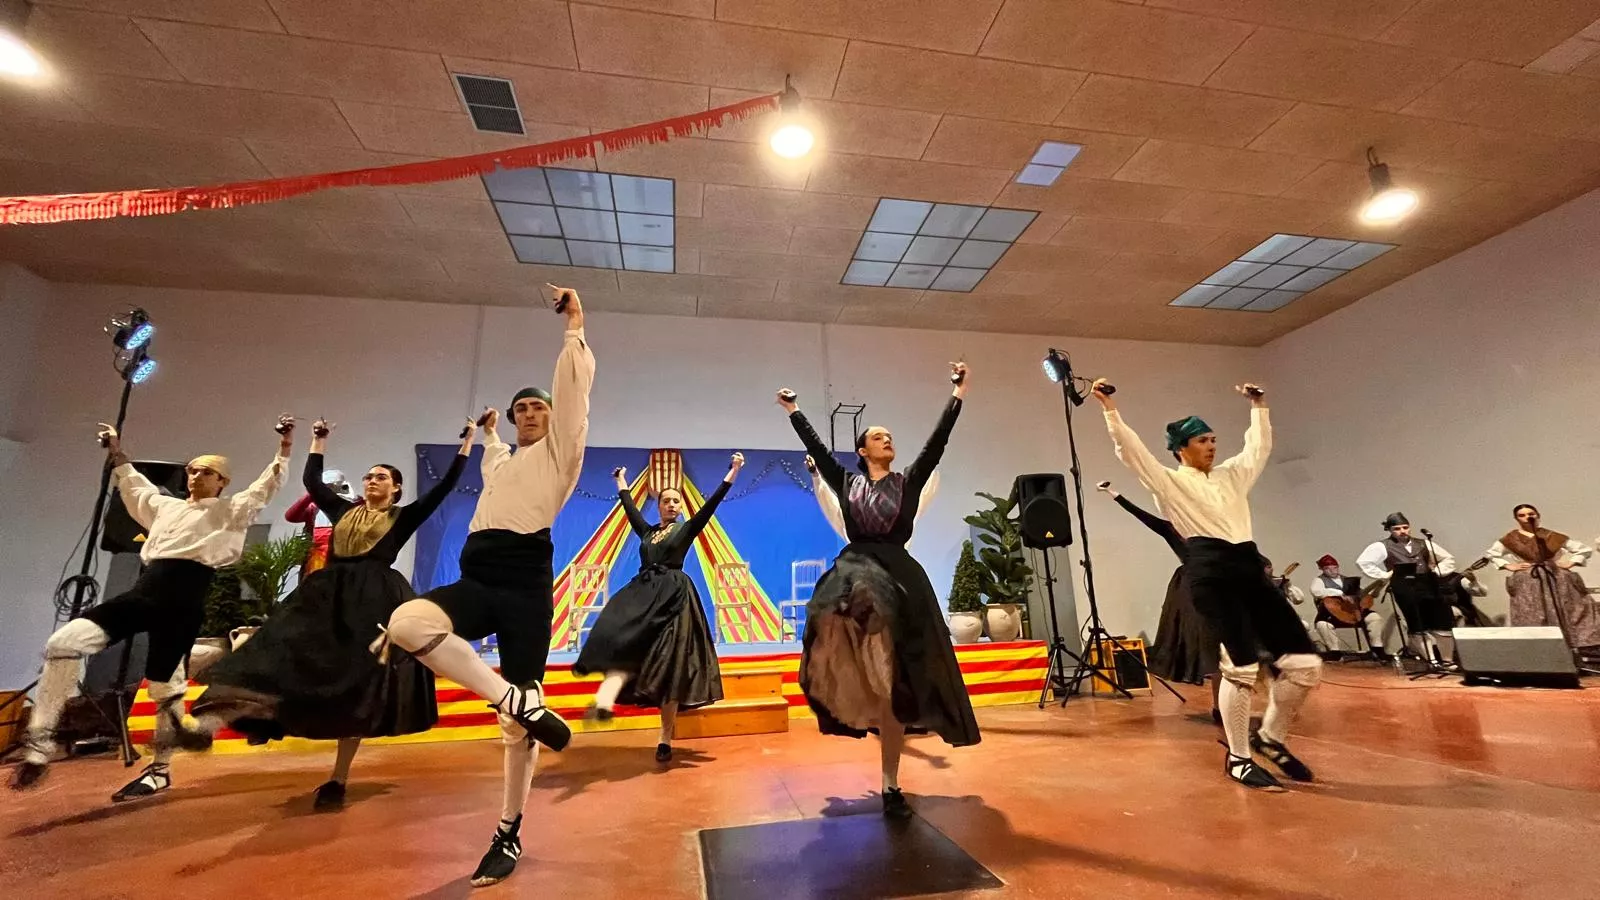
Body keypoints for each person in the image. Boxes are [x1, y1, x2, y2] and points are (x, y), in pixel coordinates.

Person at [379, 286, 594, 888]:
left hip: (526, 588)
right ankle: (514, 699)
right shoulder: (499, 460)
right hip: (478, 581)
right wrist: (493, 431)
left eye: (537, 408)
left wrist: (573, 327)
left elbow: (574, 401)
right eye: (521, 407)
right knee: (407, 623)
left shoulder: (562, 455)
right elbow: (494, 453)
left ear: (552, 420)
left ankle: (507, 832)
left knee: (514, 736)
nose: (529, 413)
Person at [169, 417, 477, 808]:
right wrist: (318, 440)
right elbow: (313, 482)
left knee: (358, 684)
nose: (371, 481)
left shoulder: (403, 516)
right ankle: (211, 725)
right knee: (276, 647)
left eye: (381, 477)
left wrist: (467, 444)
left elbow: (446, 487)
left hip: (375, 598)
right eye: (368, 476)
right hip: (328, 591)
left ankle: (337, 778)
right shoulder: (342, 509)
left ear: (396, 488)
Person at [10, 417, 292, 799]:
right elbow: (133, 483)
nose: (194, 477)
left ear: (222, 481)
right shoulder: (165, 507)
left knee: (164, 687)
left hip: (184, 601)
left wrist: (285, 446)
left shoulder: (231, 510)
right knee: (63, 643)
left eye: (205, 472)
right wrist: (116, 450)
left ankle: (161, 768)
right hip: (145, 593)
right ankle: (38, 746)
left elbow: (266, 486)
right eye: (191, 470)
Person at [1095, 380, 1321, 791]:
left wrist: (1259, 405)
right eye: (1203, 440)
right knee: (1241, 668)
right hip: (1209, 571)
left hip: (1248, 566)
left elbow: (1258, 449)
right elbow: (1133, 454)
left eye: (1214, 439)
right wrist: (1110, 408)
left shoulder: (1232, 476)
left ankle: (1271, 738)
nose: (1212, 446)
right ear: (1183, 448)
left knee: (1305, 665)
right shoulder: (1169, 481)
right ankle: (1238, 758)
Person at [777, 362, 980, 820]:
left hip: (901, 579)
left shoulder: (908, 483)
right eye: (878, 437)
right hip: (859, 574)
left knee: (897, 692)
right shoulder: (845, 482)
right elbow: (815, 447)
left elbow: (937, 442)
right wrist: (794, 411)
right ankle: (855, 688)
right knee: (855, 645)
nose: (888, 440)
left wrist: (958, 394)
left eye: (890, 437)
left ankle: (890, 781)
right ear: (862, 449)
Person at [575, 453, 745, 763]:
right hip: (645, 595)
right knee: (622, 638)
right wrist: (621, 482)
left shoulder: (687, 528)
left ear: (681, 507)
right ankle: (606, 697)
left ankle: (665, 736)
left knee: (669, 665)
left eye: (676, 502)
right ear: (659, 504)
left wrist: (732, 471)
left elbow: (713, 504)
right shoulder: (648, 532)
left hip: (675, 598)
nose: (671, 505)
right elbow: (629, 510)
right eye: (666, 500)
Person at [1097, 481, 1221, 722]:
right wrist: (1115, 494)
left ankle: (1220, 705)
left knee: (1222, 652)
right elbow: (1142, 515)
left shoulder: (1212, 531)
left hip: (1216, 585)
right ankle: (1217, 704)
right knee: (1209, 648)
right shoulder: (1171, 529)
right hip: (1191, 590)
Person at [1486, 504, 1599, 657]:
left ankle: (1573, 651)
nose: (1528, 517)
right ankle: (1540, 654)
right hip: (1529, 581)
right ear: (1516, 518)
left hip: (1557, 578)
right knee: (1532, 614)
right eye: (1522, 515)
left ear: (1538, 515)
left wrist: (1571, 562)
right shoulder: (1510, 539)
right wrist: (1508, 565)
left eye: (1531, 513)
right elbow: (1492, 554)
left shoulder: (1551, 536)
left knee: (1569, 611)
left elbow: (1583, 549)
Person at [1357, 513, 1457, 665]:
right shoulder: (1382, 546)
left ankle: (1447, 661)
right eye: (1397, 528)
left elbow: (1448, 558)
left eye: (1405, 527)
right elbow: (1363, 562)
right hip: (1404, 587)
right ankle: (1431, 661)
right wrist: (1384, 575)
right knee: (1417, 624)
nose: (1402, 531)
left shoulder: (1424, 543)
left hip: (1428, 584)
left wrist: (1438, 571)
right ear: (1390, 530)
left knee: (1442, 622)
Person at [810, 456, 940, 553]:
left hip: (896, 565)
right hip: (863, 567)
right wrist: (816, 476)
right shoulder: (855, 514)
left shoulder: (899, 510)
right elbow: (831, 506)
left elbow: (920, 500)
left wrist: (930, 467)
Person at [1307, 555, 1388, 662]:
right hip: (1332, 613)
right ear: (1322, 569)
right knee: (1322, 624)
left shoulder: (1347, 580)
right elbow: (1317, 592)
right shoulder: (1319, 580)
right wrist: (1339, 593)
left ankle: (1377, 649)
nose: (1332, 571)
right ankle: (1334, 652)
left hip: (1353, 612)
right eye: (1327, 568)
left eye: (1334, 567)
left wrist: (1378, 586)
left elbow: (1363, 594)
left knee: (1375, 618)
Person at [284, 467, 355, 576]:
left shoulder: (352, 506)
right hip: (317, 559)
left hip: (343, 557)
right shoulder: (314, 508)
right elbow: (291, 516)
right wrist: (312, 494)